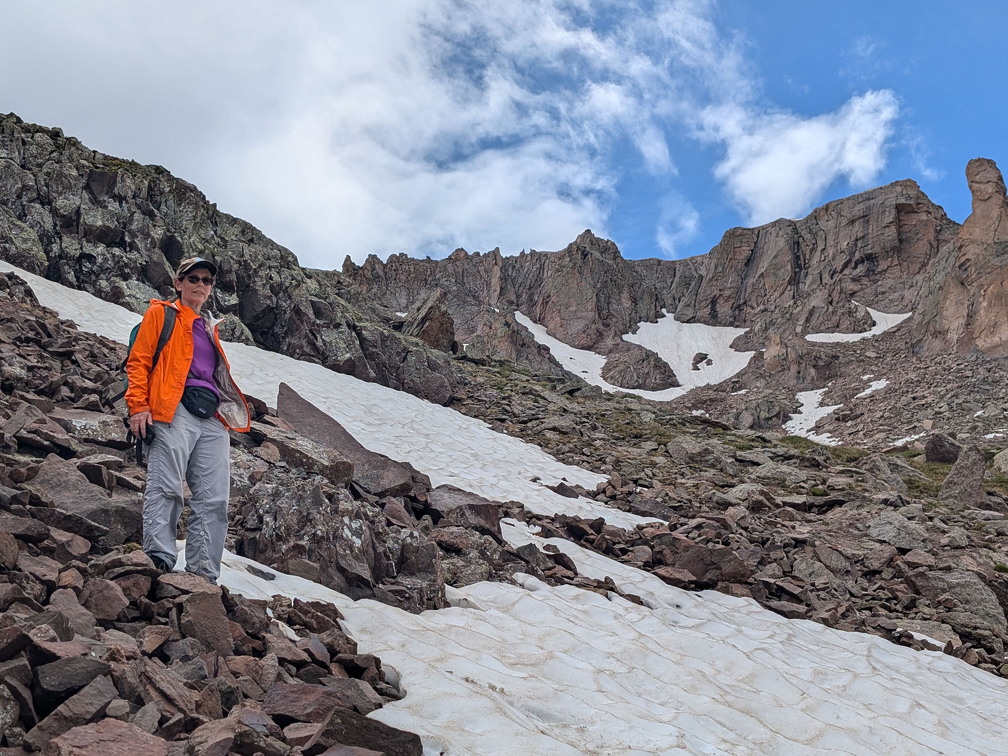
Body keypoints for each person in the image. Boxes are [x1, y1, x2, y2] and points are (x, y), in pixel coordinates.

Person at [126, 256, 251, 583]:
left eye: (207, 280)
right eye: (193, 278)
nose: (200, 284)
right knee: (166, 484)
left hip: (212, 417)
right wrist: (139, 406)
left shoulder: (211, 327)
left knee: (213, 498)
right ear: (178, 283)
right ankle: (159, 557)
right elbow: (138, 362)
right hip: (172, 406)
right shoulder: (161, 314)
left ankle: (203, 574)